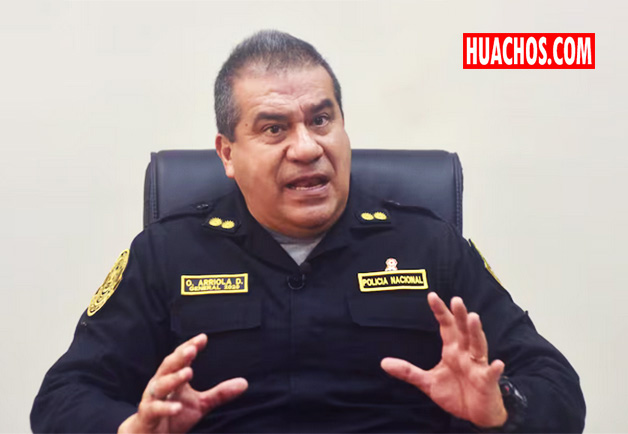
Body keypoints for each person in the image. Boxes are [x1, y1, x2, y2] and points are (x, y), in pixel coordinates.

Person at [31, 30, 585, 433]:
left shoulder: (429, 245)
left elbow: (555, 385)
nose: (307, 147)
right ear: (227, 153)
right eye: (274, 128)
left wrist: (501, 409)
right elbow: (62, 397)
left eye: (321, 120)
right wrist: (132, 427)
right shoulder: (166, 253)